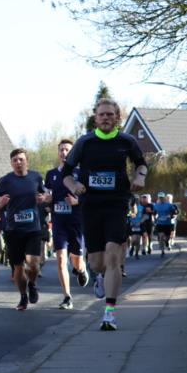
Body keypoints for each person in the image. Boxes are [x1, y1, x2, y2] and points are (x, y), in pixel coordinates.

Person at [63, 98, 148, 331]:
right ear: (96, 118)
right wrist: (74, 187)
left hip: (116, 204)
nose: (106, 118)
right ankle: (98, 276)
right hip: (91, 206)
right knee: (97, 262)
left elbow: (141, 164)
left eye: (110, 114)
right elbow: (66, 174)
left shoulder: (126, 141)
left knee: (113, 256)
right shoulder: (85, 143)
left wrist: (140, 177)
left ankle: (109, 313)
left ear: (117, 118)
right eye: (102, 115)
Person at [0, 149, 52, 310]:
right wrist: (0, 200)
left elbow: (47, 195)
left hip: (33, 228)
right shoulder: (6, 180)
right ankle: (23, 296)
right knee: (18, 267)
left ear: (27, 161)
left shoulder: (36, 177)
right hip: (13, 230)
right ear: (11, 163)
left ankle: (32, 284)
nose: (18, 162)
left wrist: (44, 198)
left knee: (32, 264)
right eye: (15, 160)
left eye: (21, 159)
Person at [44, 139, 89, 310]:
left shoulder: (81, 173)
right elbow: (47, 195)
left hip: (76, 222)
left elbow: (88, 197)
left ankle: (81, 269)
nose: (64, 153)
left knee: (76, 261)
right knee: (61, 259)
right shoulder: (51, 174)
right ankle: (67, 297)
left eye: (67, 150)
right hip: (58, 222)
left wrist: (77, 201)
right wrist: (47, 199)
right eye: (61, 150)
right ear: (58, 153)